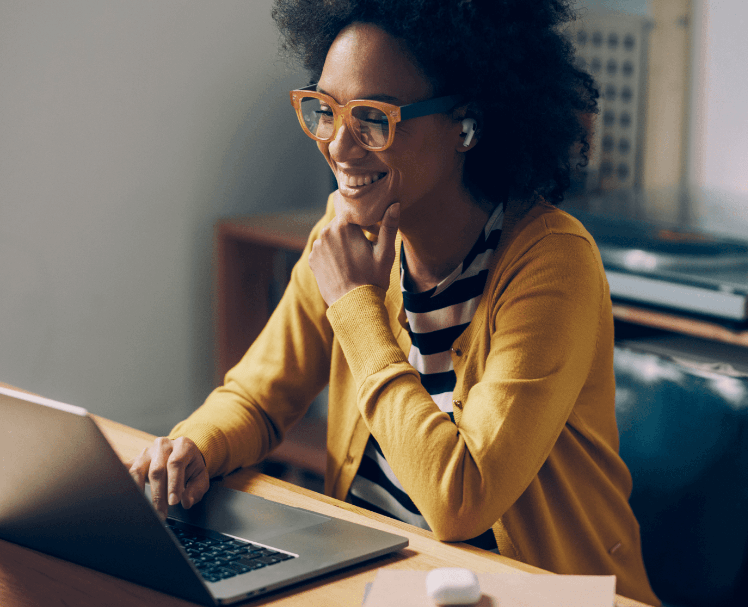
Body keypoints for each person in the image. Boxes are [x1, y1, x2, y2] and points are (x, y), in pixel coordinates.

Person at [129, 1, 659, 604]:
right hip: (379, 581)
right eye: (324, 111)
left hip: (536, 593)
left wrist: (357, 310)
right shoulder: (345, 232)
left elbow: (459, 499)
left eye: (373, 119)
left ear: (466, 125)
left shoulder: (552, 263)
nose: (340, 148)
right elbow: (258, 396)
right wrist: (196, 446)